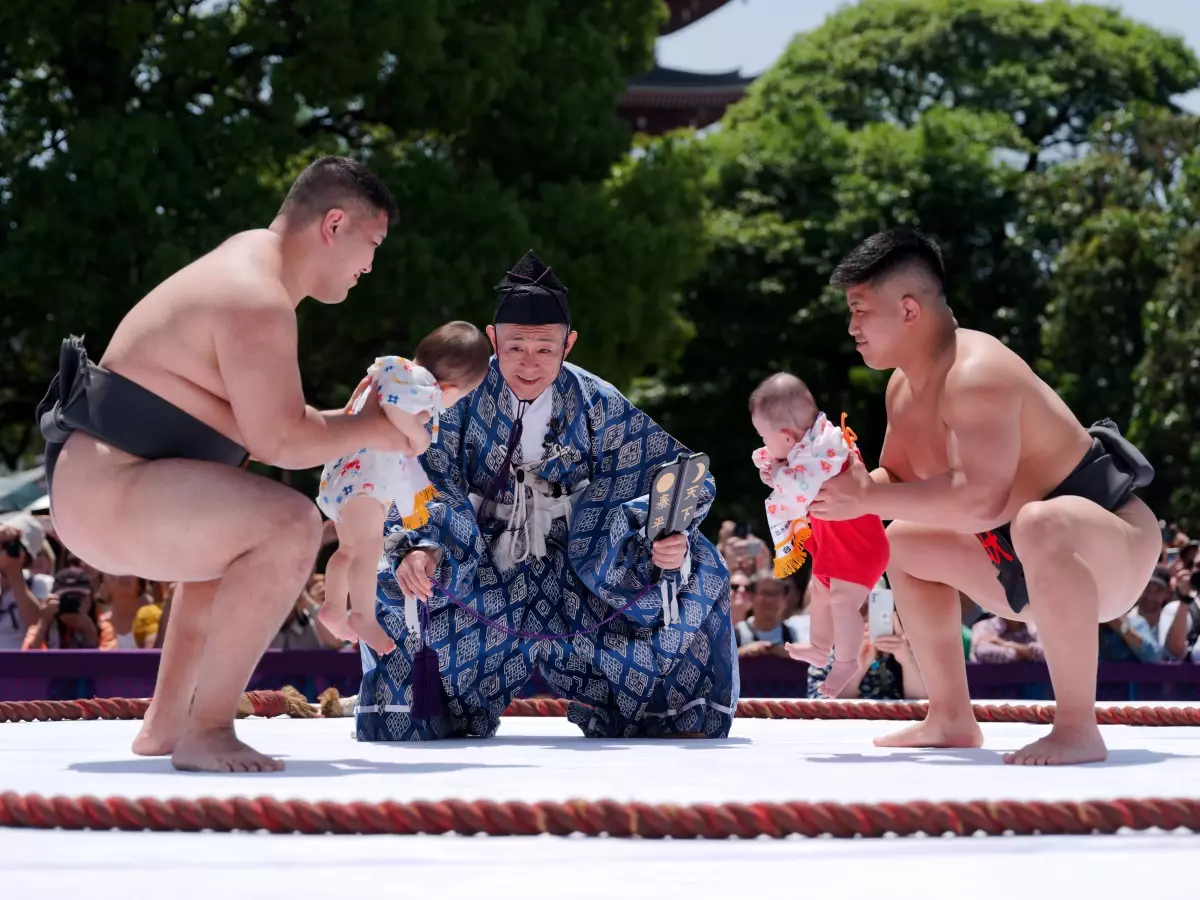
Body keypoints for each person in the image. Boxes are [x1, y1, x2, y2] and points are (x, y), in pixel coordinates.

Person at [35, 155, 412, 772]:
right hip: (109, 491)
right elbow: (283, 441)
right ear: (334, 224)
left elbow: (269, 430)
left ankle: (168, 723)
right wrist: (377, 430)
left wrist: (357, 425)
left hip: (109, 487)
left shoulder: (247, 262)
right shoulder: (255, 296)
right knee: (286, 524)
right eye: (370, 244)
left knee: (235, 539)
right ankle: (207, 729)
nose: (370, 265)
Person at [809, 227, 1159, 765]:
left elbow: (980, 503)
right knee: (901, 542)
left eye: (859, 310)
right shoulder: (902, 386)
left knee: (1041, 522)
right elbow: (895, 486)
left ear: (907, 310)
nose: (851, 327)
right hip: (1014, 558)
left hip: (1110, 545)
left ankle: (1077, 728)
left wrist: (864, 498)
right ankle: (950, 716)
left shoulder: (976, 372)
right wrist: (821, 489)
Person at [355, 250, 737, 741]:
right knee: (394, 573)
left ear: (568, 344)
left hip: (584, 567)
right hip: (477, 563)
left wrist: (662, 534)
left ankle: (662, 714)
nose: (529, 364)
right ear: (492, 340)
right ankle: (423, 711)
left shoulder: (599, 402)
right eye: (515, 348)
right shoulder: (452, 398)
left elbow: (679, 476)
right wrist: (424, 545)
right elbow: (419, 476)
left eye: (544, 349)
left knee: (699, 567)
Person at [316, 323, 491, 654]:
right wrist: (419, 436)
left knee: (349, 550)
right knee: (368, 548)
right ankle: (362, 615)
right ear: (451, 389)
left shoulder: (393, 371)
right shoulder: (420, 384)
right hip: (366, 478)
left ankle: (335, 608)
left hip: (345, 475)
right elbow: (396, 407)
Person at [749, 372, 889, 696]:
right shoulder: (808, 446)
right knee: (821, 594)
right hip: (837, 543)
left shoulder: (824, 449)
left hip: (859, 546)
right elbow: (789, 479)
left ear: (786, 436)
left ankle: (846, 662)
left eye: (763, 436)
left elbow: (797, 489)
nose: (764, 444)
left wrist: (777, 475)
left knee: (842, 603)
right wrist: (777, 469)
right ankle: (819, 646)